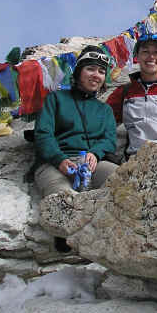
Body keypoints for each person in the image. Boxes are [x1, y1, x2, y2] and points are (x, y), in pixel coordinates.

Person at [34, 45, 118, 198]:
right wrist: (59, 159)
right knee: (62, 199)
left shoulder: (105, 110)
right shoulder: (55, 99)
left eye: (101, 71)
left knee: (125, 183)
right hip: (55, 163)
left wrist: (95, 153)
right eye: (90, 69)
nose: (96, 75)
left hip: (94, 165)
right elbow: (43, 134)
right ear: (79, 71)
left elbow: (110, 140)